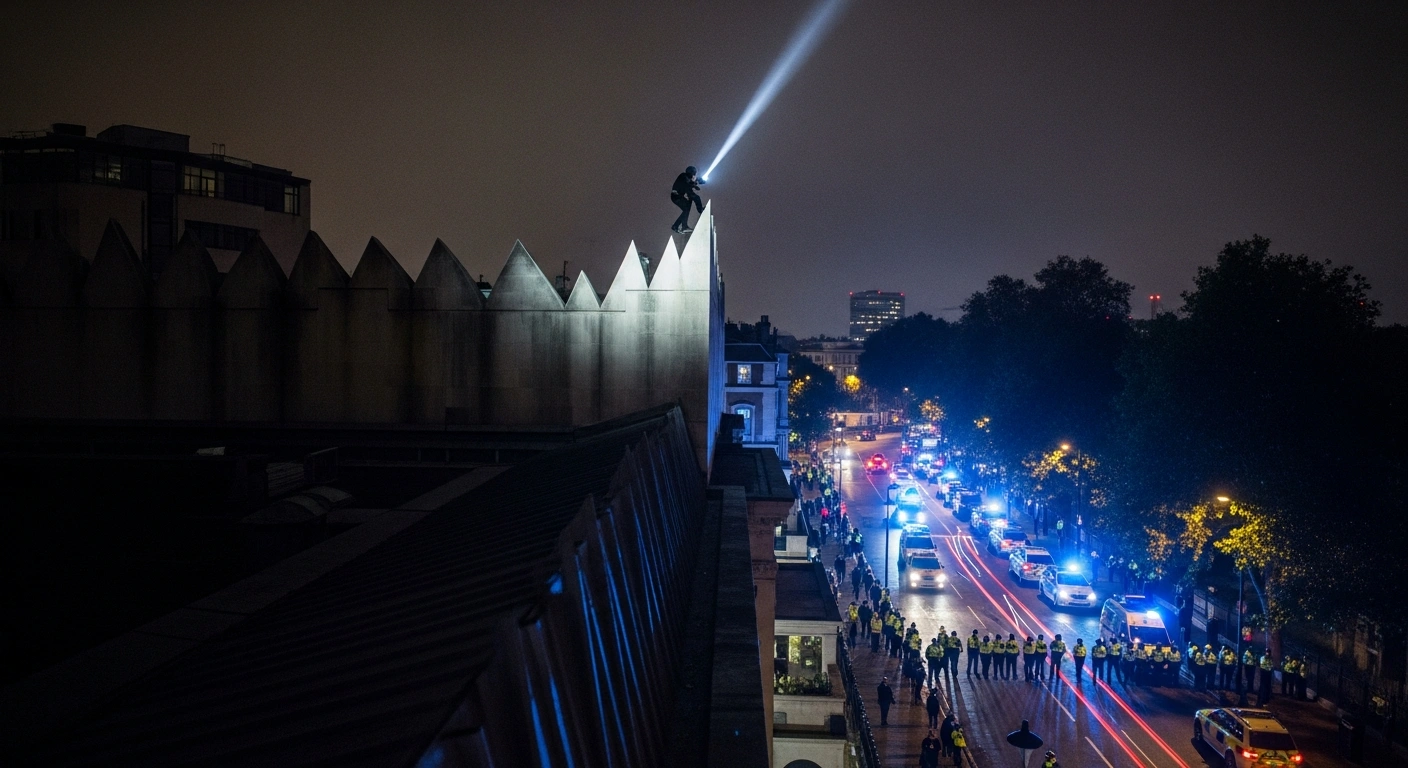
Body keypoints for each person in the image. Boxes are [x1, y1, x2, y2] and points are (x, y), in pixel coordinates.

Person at [670, 166, 704, 234]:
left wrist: (698, 181)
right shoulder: (683, 176)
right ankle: (683, 227)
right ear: (692, 173)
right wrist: (694, 184)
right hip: (676, 197)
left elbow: (689, 184)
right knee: (694, 199)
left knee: (687, 207)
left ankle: (677, 226)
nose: (695, 176)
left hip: (678, 196)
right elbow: (687, 186)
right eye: (694, 174)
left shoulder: (687, 178)